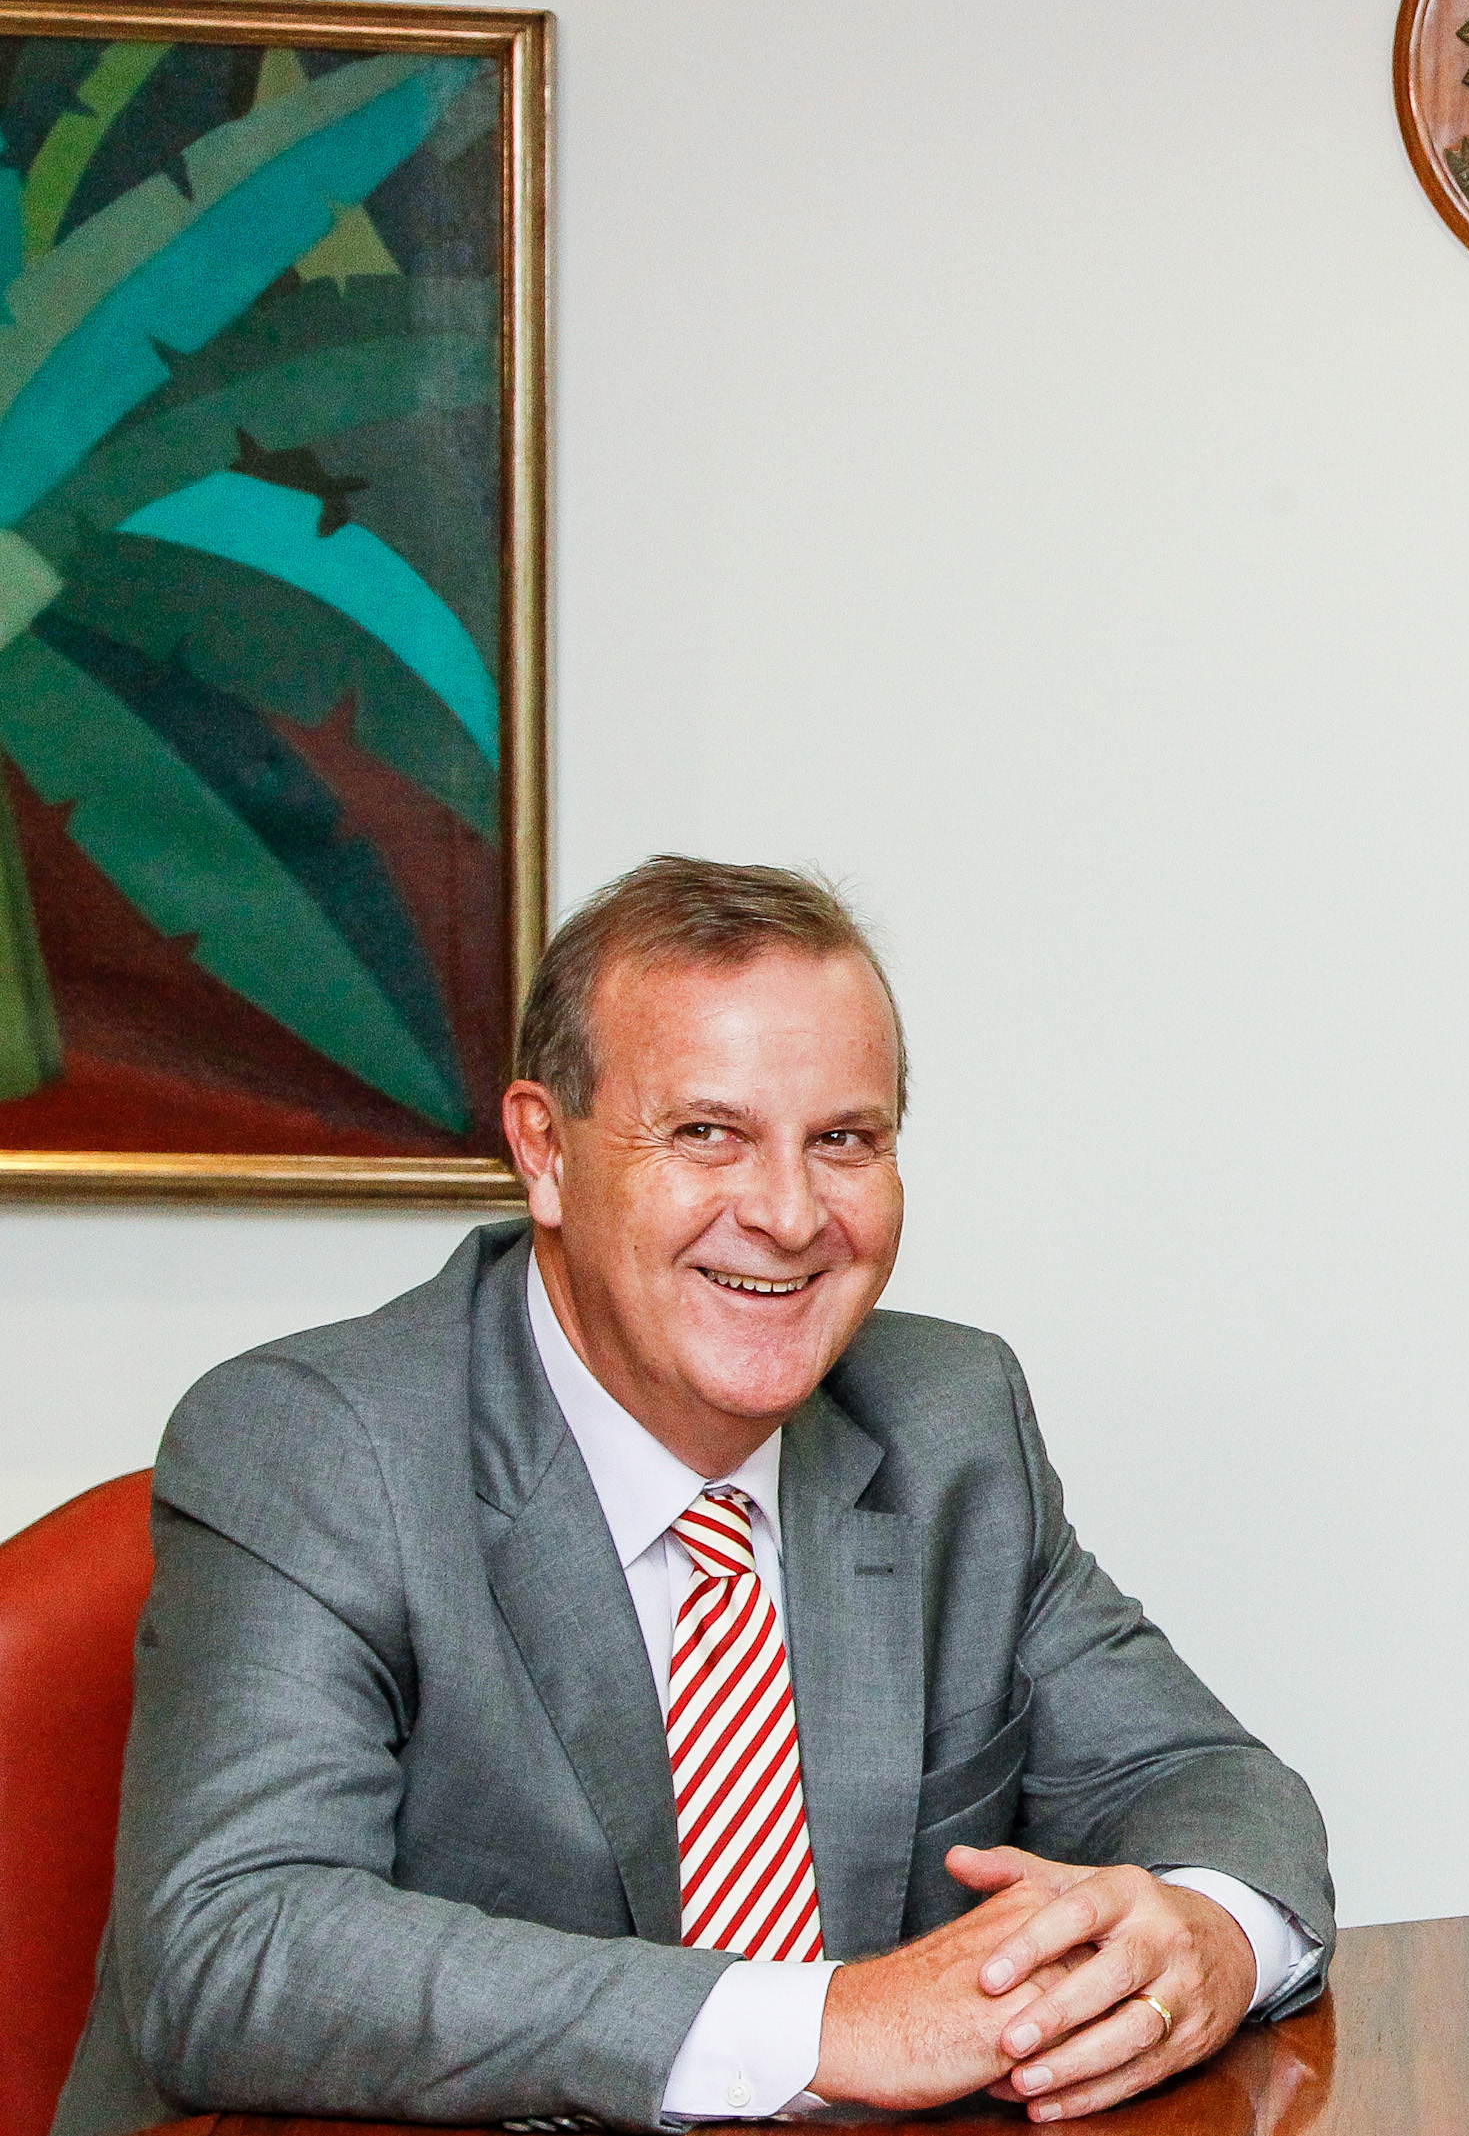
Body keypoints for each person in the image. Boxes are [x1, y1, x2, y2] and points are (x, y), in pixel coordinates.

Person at [56, 859, 1331, 2136]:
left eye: (843, 1140)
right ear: (544, 1154)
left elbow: (1200, 1774)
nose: (786, 1215)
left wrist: (1209, 1936)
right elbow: (235, 1943)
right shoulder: (318, 1444)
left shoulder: (949, 1420)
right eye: (706, 1133)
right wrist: (818, 2025)